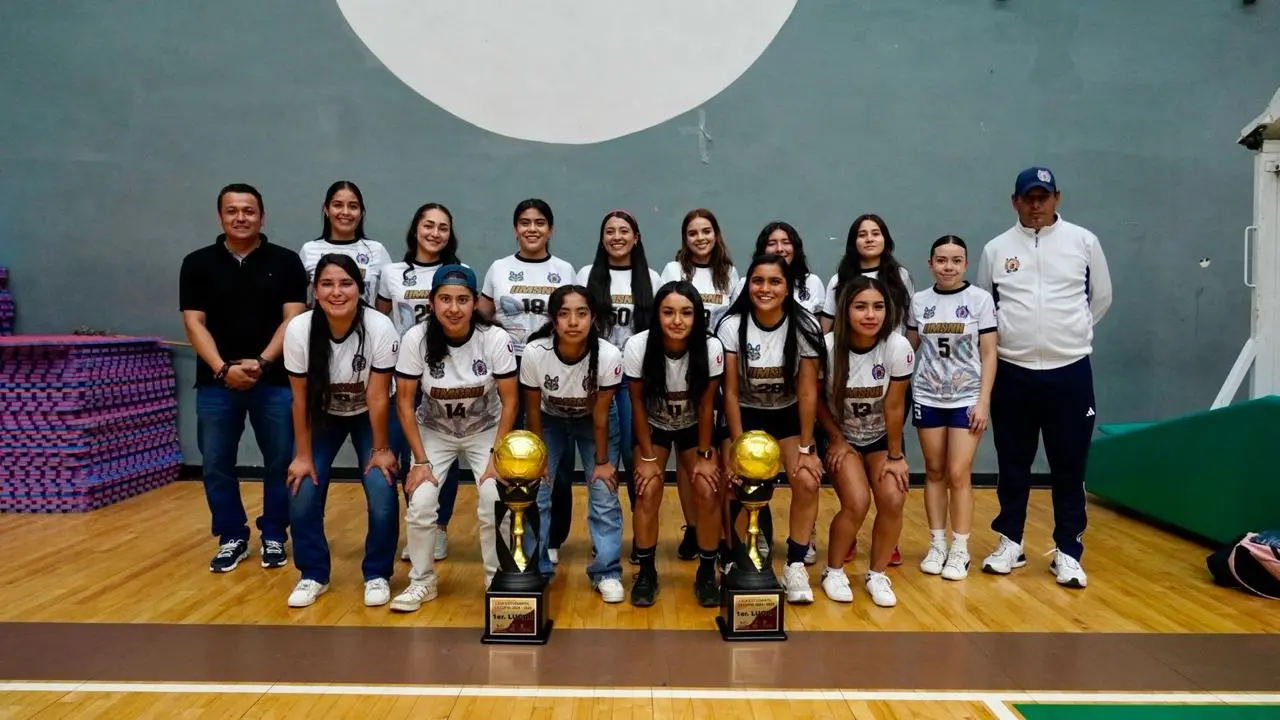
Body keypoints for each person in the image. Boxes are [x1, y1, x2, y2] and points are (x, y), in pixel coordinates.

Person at [975, 167, 1112, 589]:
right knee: (1012, 462)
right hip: (1013, 373)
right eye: (1028, 197)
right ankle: (1010, 542)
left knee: (1069, 465)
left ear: (1057, 198)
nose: (1036, 205)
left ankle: (1068, 551)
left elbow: (1100, 297)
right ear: (1014, 201)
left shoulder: (1084, 242)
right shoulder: (996, 249)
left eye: (1044, 196)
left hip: (1069, 372)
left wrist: (1070, 336)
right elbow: (986, 308)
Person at [179, 183, 308, 572]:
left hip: (273, 381)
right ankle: (231, 535)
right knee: (217, 462)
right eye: (232, 211)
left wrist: (262, 363)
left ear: (261, 216)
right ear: (220, 217)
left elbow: (294, 318)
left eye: (249, 211)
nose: (241, 217)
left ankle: (273, 535)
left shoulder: (285, 262)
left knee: (281, 461)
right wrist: (222, 368)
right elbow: (193, 322)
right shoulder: (197, 263)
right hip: (217, 383)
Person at [389, 265, 519, 611]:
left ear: (476, 302)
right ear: (431, 302)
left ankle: (497, 579)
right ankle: (422, 582)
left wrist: (496, 454)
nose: (453, 308)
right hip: (434, 431)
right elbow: (403, 401)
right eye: (445, 299)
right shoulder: (416, 339)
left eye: (463, 300)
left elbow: (511, 399)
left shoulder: (494, 338)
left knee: (494, 496)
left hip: (485, 429)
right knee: (421, 500)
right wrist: (419, 461)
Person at [282, 255, 400, 608]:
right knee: (301, 487)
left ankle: (377, 573)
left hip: (370, 413)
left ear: (359, 289)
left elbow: (378, 395)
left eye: (346, 283)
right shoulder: (300, 329)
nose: (337, 291)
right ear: (315, 291)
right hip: (322, 415)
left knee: (382, 487)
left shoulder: (379, 326)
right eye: (328, 284)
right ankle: (313, 574)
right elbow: (299, 400)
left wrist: (380, 450)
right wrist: (302, 456)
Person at [716, 254, 826, 604]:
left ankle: (795, 563)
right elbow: (730, 392)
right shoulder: (733, 326)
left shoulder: (804, 325)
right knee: (734, 485)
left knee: (807, 481)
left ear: (787, 287)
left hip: (786, 416)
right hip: (744, 416)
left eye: (774, 281)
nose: (765, 288)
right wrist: (737, 446)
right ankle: (741, 559)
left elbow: (808, 390)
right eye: (758, 281)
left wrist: (808, 448)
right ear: (748, 286)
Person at [478, 198, 577, 563]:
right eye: (524, 222)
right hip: (509, 370)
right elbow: (483, 315)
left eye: (539, 222)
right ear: (515, 228)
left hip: (554, 370)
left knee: (555, 460)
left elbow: (575, 317)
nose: (531, 229)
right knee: (512, 457)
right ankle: (515, 532)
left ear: (550, 229)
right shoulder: (499, 268)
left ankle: (552, 538)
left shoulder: (565, 269)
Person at [819, 213, 915, 566]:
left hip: (880, 437)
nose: (870, 314)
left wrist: (895, 456)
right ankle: (833, 570)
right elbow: (815, 401)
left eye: (877, 306)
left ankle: (877, 573)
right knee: (857, 502)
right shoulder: (828, 348)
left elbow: (893, 407)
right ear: (846, 308)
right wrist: (837, 440)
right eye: (860, 306)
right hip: (841, 433)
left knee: (892, 497)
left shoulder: (897, 346)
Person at [520, 286, 626, 603]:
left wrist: (604, 462)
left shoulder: (608, 355)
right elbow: (532, 411)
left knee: (603, 493)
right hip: (548, 420)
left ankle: (606, 572)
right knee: (538, 489)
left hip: (594, 421)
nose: (573, 321)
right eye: (564, 313)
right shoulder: (535, 352)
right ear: (553, 320)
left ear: (593, 318)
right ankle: (535, 568)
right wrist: (538, 459)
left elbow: (601, 416)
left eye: (582, 313)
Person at [623, 281, 724, 607]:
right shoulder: (638, 346)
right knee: (647, 488)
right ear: (657, 315)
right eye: (668, 312)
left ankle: (707, 571)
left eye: (685, 313)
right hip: (654, 425)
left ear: (697, 317)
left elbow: (709, 404)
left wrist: (707, 455)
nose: (677, 320)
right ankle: (647, 570)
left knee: (708, 488)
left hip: (696, 425)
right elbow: (636, 403)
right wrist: (648, 458)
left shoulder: (711, 348)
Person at [905, 236, 998, 581]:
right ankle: (937, 543)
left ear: (966, 264)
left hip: (966, 398)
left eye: (956, 260)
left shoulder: (979, 300)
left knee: (959, 472)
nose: (948, 267)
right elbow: (909, 347)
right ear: (930, 264)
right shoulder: (919, 302)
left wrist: (983, 401)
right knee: (933, 470)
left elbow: (989, 353)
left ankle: (960, 549)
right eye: (941, 260)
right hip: (928, 396)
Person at [376, 202, 465, 563]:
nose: (435, 233)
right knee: (408, 457)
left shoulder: (458, 272)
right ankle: (418, 526)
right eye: (428, 225)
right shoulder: (392, 272)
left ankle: (439, 529)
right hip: (404, 380)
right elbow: (381, 323)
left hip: (447, 380)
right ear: (415, 229)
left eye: (443, 227)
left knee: (446, 456)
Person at [579, 209, 661, 562]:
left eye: (624, 231)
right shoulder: (587, 275)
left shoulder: (652, 278)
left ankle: (640, 538)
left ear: (636, 237)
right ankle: (605, 541)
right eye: (609, 231)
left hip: (635, 380)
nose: (616, 236)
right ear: (602, 238)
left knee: (633, 457)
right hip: (596, 379)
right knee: (603, 459)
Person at [659, 209, 739, 560]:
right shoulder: (674, 271)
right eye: (693, 233)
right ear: (685, 238)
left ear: (716, 234)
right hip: (682, 369)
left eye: (706, 231)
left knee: (718, 460)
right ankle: (694, 530)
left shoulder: (729, 274)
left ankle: (723, 533)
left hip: (719, 367)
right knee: (688, 461)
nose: (700, 238)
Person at [298, 181, 393, 307]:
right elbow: (295, 298)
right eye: (338, 205)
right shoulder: (309, 250)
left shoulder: (377, 250)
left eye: (353, 206)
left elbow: (391, 296)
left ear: (361, 213)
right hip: (320, 326)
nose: (345, 212)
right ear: (326, 209)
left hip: (366, 326)